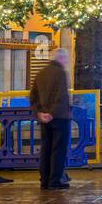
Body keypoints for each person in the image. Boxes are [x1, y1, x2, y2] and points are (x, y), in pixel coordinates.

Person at [29, 48, 72, 190]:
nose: (66, 61)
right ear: (60, 59)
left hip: (44, 119)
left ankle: (44, 181)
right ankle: (54, 181)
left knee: (46, 149)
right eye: (65, 58)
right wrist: (52, 113)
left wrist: (40, 114)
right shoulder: (61, 73)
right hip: (60, 117)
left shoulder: (40, 73)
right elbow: (61, 97)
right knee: (58, 150)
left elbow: (33, 97)